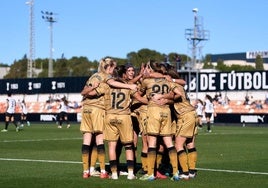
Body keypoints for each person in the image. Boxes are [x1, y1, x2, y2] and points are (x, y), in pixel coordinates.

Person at [80, 57, 137, 179]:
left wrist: (92, 87)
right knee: (105, 141)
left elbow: (84, 92)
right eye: (113, 67)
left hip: (87, 110)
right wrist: (130, 86)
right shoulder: (107, 78)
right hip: (100, 110)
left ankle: (87, 171)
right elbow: (113, 84)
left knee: (87, 141)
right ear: (109, 67)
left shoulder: (94, 77)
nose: (113, 70)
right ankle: (103, 171)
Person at [139, 60, 179, 181]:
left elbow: (139, 94)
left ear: (150, 69)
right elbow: (177, 94)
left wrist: (153, 98)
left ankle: (151, 173)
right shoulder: (167, 80)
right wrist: (165, 98)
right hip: (166, 111)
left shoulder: (147, 81)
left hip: (154, 111)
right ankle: (176, 172)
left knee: (152, 143)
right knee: (169, 143)